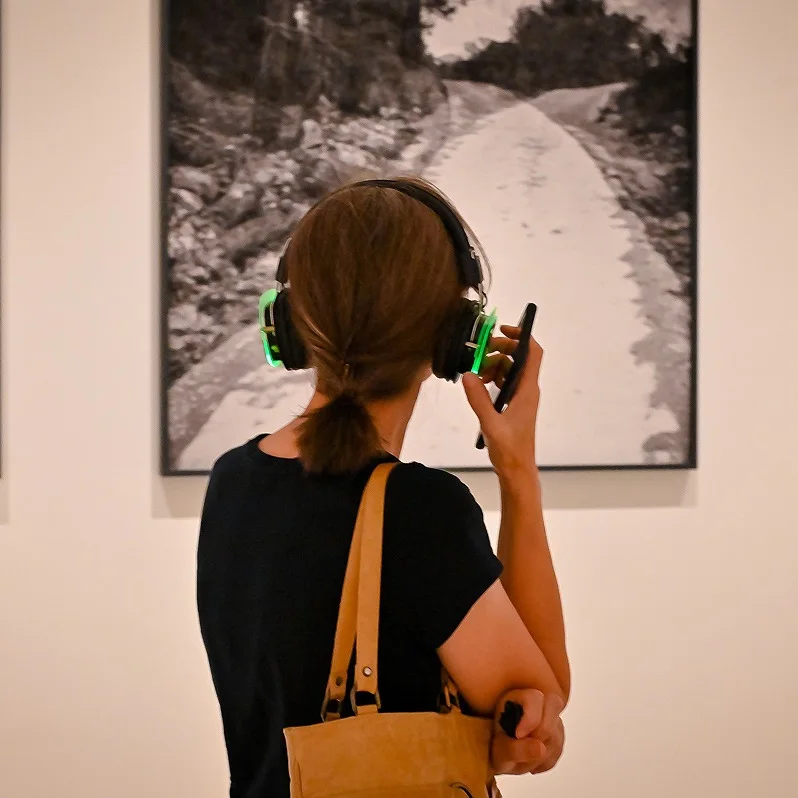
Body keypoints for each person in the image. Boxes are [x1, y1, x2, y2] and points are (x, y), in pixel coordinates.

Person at [196, 177, 570, 798]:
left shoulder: (232, 480)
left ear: (289, 323)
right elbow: (542, 701)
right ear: (459, 336)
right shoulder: (419, 511)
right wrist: (517, 467)